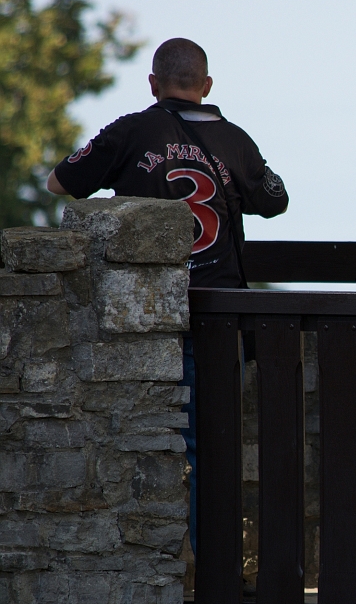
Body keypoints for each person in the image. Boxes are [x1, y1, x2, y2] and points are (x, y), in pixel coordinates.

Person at [46, 37, 289, 558]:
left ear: (153, 83)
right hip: (220, 312)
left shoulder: (131, 131)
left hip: (142, 315)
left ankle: (149, 561)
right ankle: (217, 566)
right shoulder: (235, 139)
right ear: (207, 86)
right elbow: (275, 200)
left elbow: (58, 183)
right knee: (213, 444)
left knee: (128, 439)